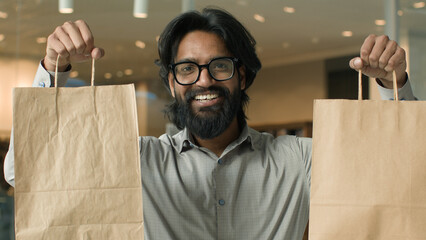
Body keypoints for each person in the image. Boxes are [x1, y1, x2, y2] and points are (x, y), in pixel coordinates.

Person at [4, 7, 416, 240]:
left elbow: (402, 177)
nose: (203, 80)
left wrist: (391, 85)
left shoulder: (301, 160)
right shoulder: (135, 159)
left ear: (242, 75)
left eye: (219, 66)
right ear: (171, 82)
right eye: (186, 69)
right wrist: (52, 73)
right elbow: (23, 172)